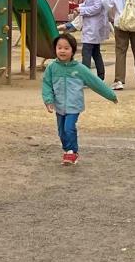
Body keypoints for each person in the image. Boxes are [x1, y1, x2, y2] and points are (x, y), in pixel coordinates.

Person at [42, 29, 117, 165]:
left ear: (73, 50)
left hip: (74, 105)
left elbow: (95, 82)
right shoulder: (52, 68)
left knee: (69, 128)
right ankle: (67, 150)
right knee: (61, 131)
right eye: (59, 48)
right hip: (59, 106)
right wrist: (48, 100)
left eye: (66, 48)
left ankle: (72, 152)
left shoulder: (79, 68)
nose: (62, 51)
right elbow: (47, 84)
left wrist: (110, 95)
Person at [69, 0, 111, 77]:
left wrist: (82, 10)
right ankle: (100, 76)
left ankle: (85, 77)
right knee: (95, 52)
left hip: (94, 24)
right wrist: (79, 6)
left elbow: (97, 7)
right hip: (91, 24)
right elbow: (88, 3)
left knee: (86, 52)